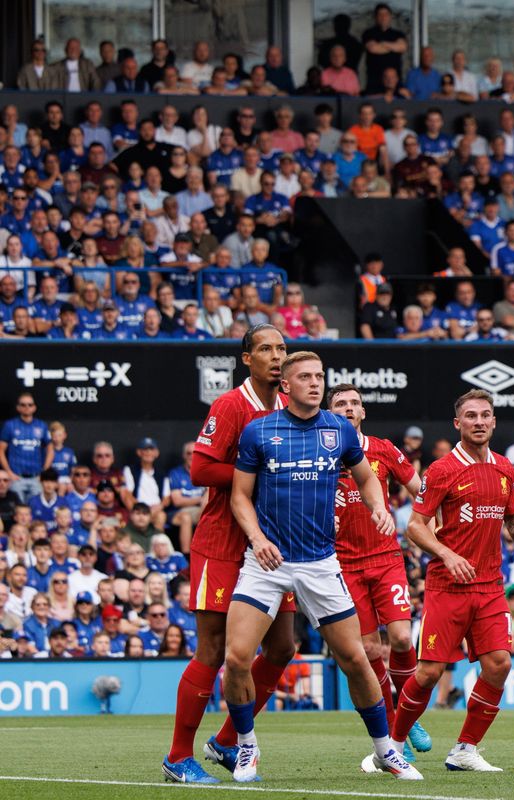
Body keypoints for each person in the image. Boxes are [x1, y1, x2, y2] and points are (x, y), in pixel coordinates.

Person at [224, 351, 414, 782]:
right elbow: (239, 496)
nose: (315, 383)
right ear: (286, 386)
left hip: (320, 563)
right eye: (306, 377)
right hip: (266, 562)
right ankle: (247, 746)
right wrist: (257, 538)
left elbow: (366, 477)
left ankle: (386, 751)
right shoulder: (259, 431)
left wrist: (379, 507)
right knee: (236, 658)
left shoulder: (339, 429)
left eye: (320, 376)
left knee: (355, 658)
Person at [161, 326, 297, 785]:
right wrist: (258, 472)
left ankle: (224, 741)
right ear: (246, 358)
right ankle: (178, 756)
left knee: (282, 647)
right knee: (214, 649)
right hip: (224, 543)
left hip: (273, 544)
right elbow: (200, 468)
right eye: (265, 349)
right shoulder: (230, 405)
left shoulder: (288, 406)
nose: (276, 357)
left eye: (281, 349)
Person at [388, 389, 514, 773]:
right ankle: (390, 747)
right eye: (471, 416)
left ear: (493, 421)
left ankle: (465, 749)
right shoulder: (442, 470)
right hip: (447, 586)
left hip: (490, 586)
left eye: (485, 415)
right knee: (428, 673)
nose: (479, 422)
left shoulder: (506, 469)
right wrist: (446, 554)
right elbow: (414, 526)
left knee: (499, 664)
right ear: (458, 424)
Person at [325, 383, 430, 763]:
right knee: (368, 650)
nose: (349, 408)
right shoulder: (318, 454)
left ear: (363, 412)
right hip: (342, 565)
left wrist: (431, 524)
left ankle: (407, 715)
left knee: (401, 639)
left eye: (355, 403)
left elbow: (421, 490)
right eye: (341, 404)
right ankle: (390, 725)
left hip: (386, 559)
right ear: (329, 412)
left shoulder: (382, 449)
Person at [0, 393, 50, 502]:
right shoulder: (10, 425)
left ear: (34, 407)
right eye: (23, 405)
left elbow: (50, 449)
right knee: (19, 512)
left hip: (36, 477)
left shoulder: (42, 426)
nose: (27, 407)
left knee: (35, 511)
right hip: (16, 476)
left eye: (30, 405)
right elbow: (1, 450)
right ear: (18, 408)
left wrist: (44, 473)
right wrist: (8, 472)